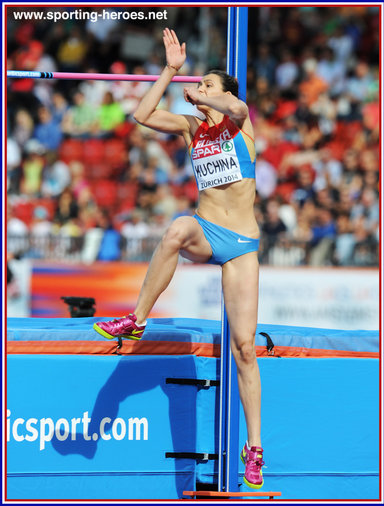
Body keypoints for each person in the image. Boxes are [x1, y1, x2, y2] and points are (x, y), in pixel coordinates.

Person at [93, 29, 264, 489]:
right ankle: (137, 318)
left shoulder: (239, 122)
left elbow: (235, 106)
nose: (201, 89)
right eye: (202, 85)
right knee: (175, 228)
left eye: (209, 84)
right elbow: (140, 113)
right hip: (206, 231)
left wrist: (210, 96)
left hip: (242, 244)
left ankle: (254, 447)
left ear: (224, 92)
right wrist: (169, 70)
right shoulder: (192, 129)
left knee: (245, 349)